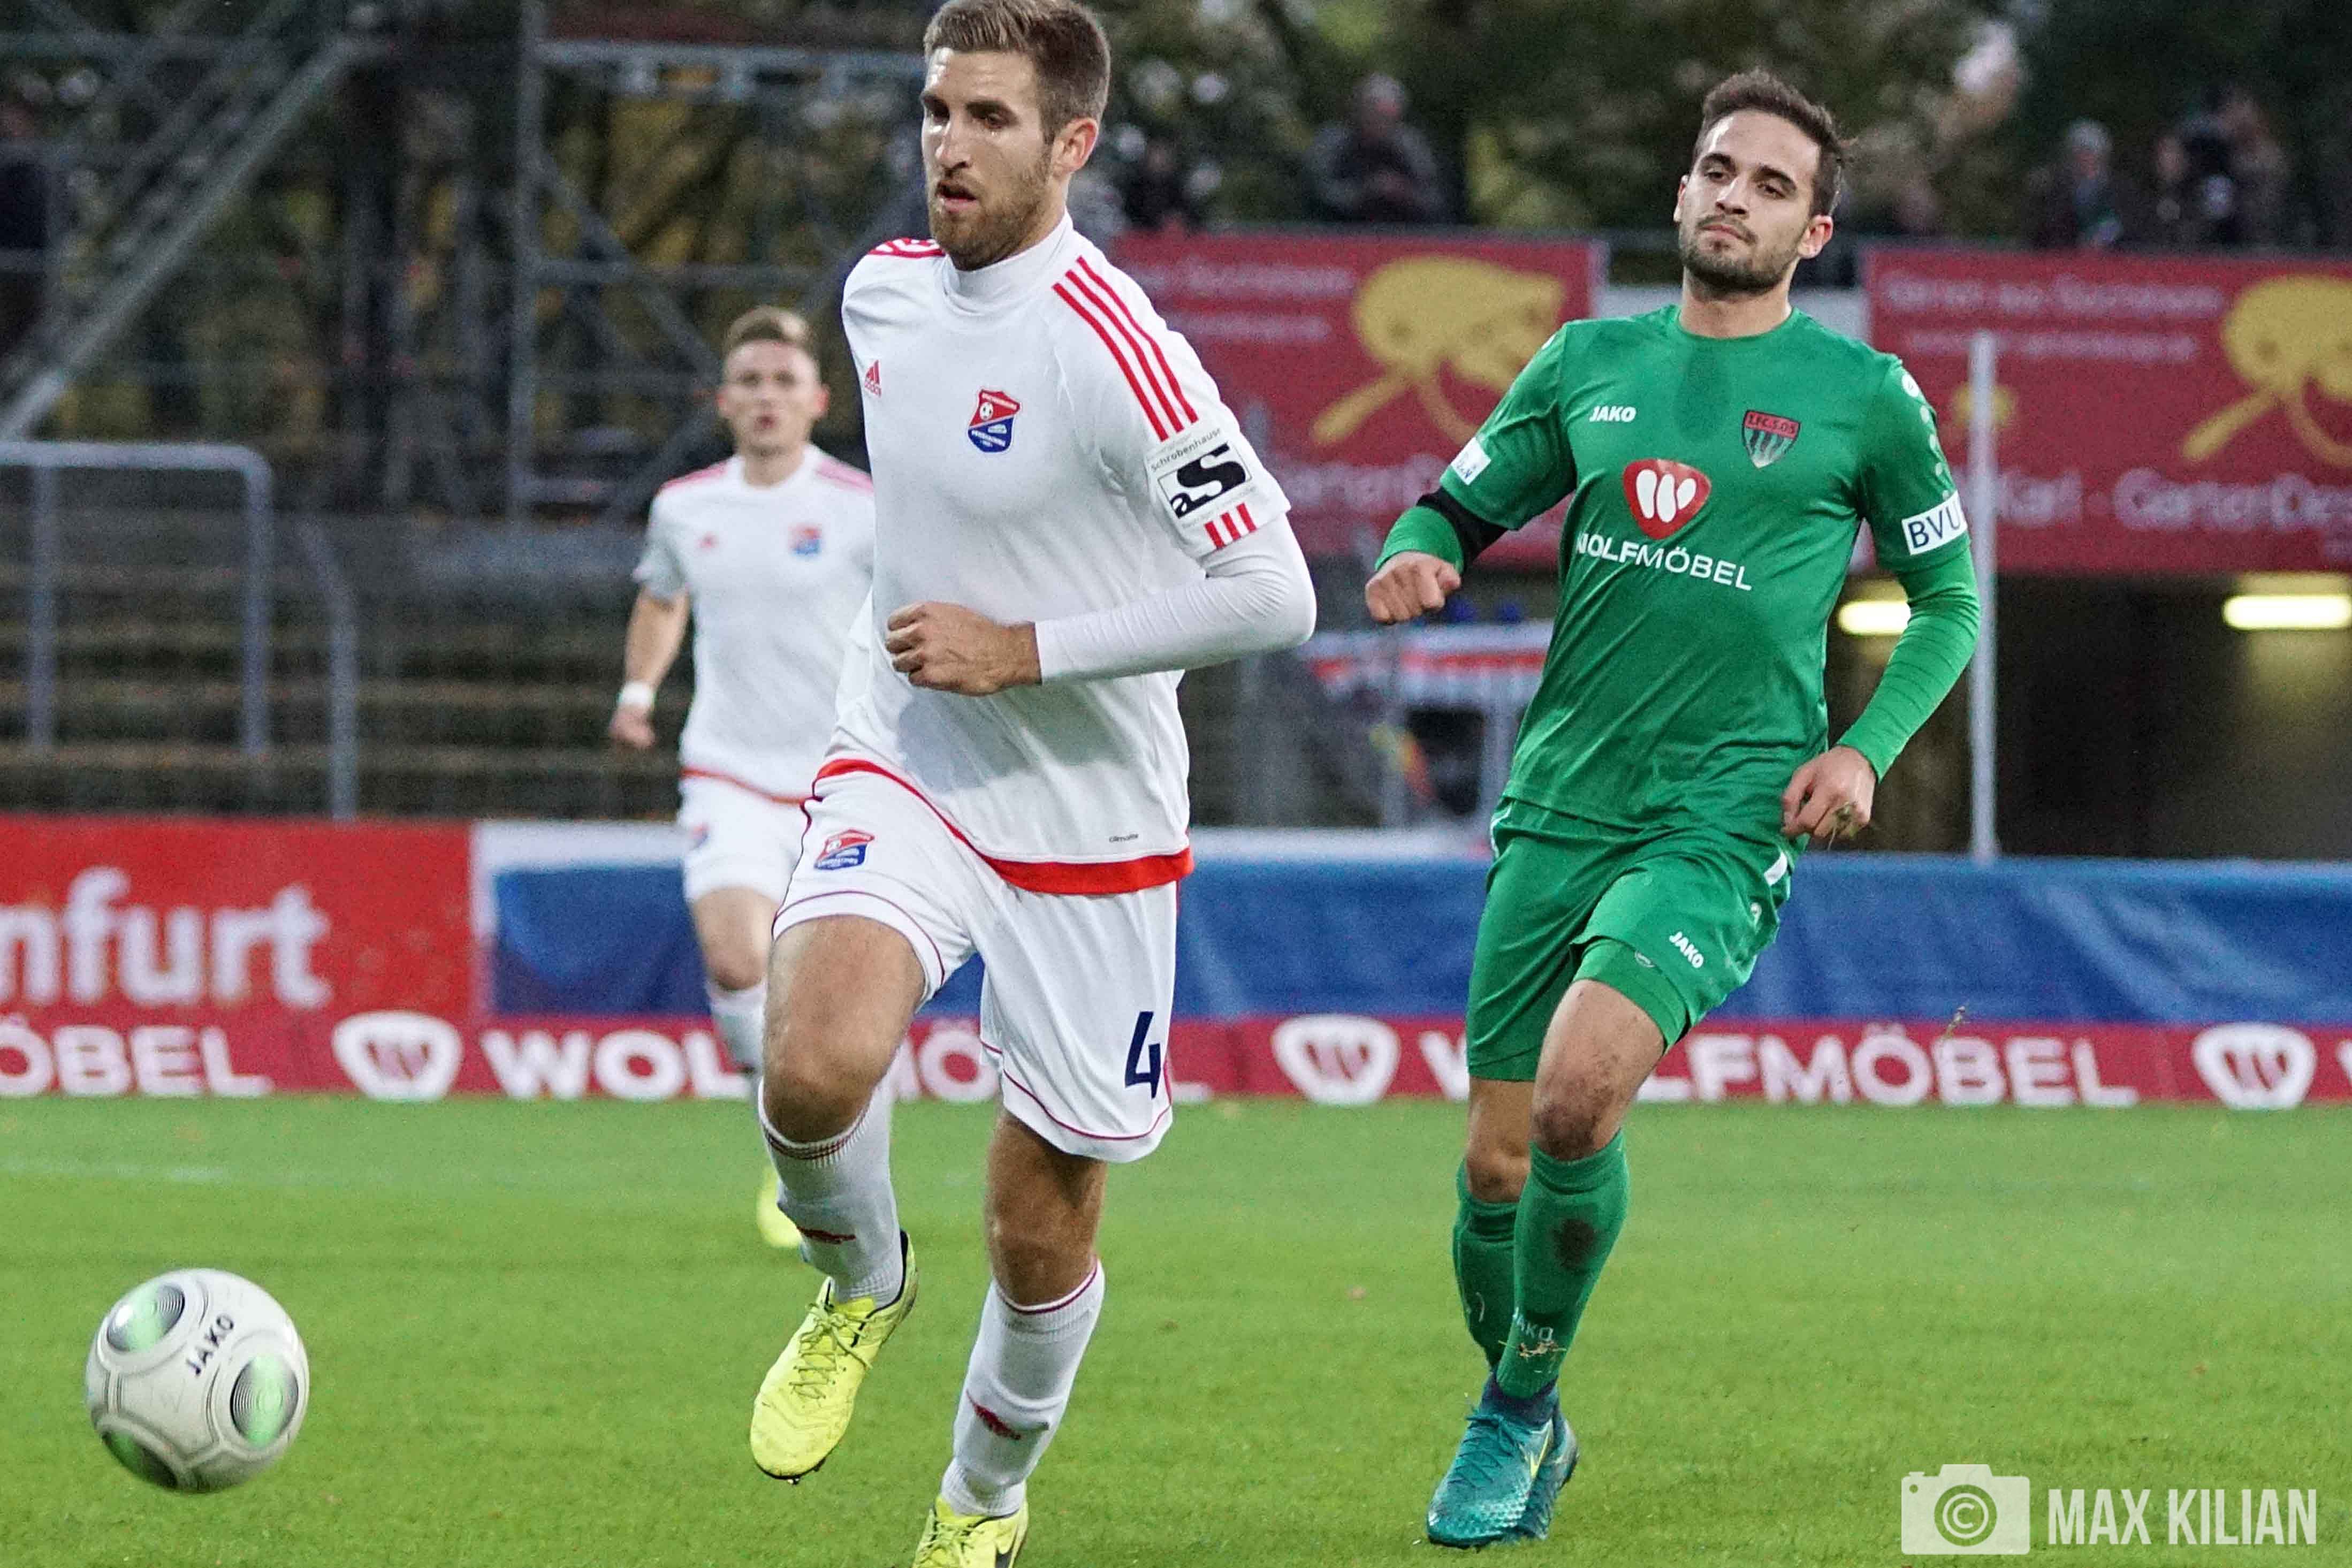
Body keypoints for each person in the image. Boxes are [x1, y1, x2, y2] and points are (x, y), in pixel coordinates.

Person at [1363, 70, 1980, 1548]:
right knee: (1495, 1167)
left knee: (1577, 1096)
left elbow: (1947, 597)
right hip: (1560, 800)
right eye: (1716, 170)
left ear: (1811, 232)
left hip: (1722, 811)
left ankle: (1510, 1407)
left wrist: (1863, 749)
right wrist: (1414, 549)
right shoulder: (1587, 360)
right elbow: (1454, 503)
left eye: (1771, 185)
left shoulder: (1865, 397)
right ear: (1680, 189)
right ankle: (1535, 1405)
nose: (1732, 198)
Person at [744, 3, 1315, 1564]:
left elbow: (1274, 593)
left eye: (989, 117)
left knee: (1038, 1223)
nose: (949, 142)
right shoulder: (879, 291)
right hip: (910, 755)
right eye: (938, 109)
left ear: (1070, 144)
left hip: (1088, 816)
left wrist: (1024, 648)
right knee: (811, 1067)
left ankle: (979, 1498)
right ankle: (859, 1281)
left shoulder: (1114, 348)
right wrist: (947, 659)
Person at [611, 305, 876, 1248]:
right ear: (722, 402)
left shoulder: (863, 506)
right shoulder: (686, 507)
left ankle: (840, 1155)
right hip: (727, 770)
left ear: (818, 401)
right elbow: (661, 598)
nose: (767, 397)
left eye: (783, 382)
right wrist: (637, 691)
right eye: (750, 382)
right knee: (735, 960)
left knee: (830, 1003)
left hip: (846, 784)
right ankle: (785, 1150)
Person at [1307, 72, 1447, 225]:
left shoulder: (1411, 146)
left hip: (1403, 231)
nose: (1380, 126)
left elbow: (1433, 198)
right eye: (1374, 117)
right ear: (1358, 113)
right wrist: (1364, 192)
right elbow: (1317, 192)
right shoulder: (1332, 142)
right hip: (1340, 230)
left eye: (1387, 120)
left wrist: (1402, 192)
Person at [2024, 119, 2132, 249]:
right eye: (2078, 153)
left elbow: (2125, 223)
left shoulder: (2120, 189)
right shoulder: (2056, 191)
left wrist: (2100, 239)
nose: (2083, 158)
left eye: (2089, 152)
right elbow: (2046, 230)